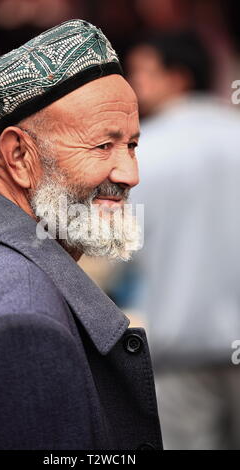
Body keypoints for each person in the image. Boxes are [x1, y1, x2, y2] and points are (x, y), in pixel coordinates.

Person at [0, 20, 162, 450]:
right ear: (19, 156)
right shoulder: (24, 323)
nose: (130, 174)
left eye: (132, 145)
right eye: (103, 146)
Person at [126, 31, 240, 449]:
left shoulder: (145, 153)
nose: (135, 84)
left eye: (143, 72)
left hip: (180, 348)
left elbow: (117, 249)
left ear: (178, 77)